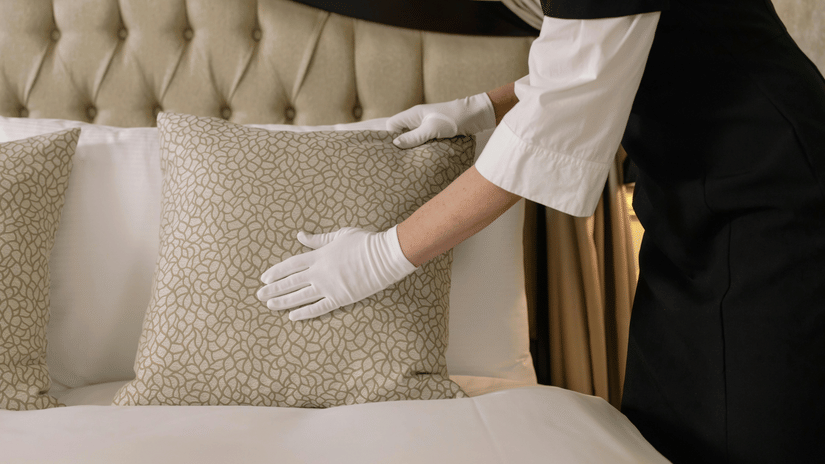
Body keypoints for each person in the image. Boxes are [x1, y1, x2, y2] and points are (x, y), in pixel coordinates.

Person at [256, 1, 825, 462]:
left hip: (771, 193)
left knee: (753, 435)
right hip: (691, 200)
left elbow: (557, 120)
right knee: (663, 434)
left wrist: (379, 258)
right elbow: (594, 57)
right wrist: (480, 108)